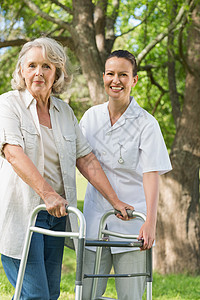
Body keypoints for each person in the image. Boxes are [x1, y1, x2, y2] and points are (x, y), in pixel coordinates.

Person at [0, 39, 133, 300]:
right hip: (23, 214)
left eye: (46, 66)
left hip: (58, 216)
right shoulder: (7, 105)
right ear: (22, 71)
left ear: (57, 73)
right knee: (36, 295)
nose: (39, 72)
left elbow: (87, 160)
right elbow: (13, 153)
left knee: (51, 293)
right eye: (32, 65)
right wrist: (48, 194)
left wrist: (114, 200)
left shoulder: (63, 112)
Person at [80, 50, 172, 300]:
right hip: (95, 216)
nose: (116, 80)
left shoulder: (147, 123)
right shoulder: (91, 117)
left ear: (134, 80)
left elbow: (151, 174)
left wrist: (150, 222)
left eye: (123, 74)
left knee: (130, 295)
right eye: (111, 74)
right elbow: (80, 159)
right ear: (103, 77)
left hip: (133, 223)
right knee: (87, 292)